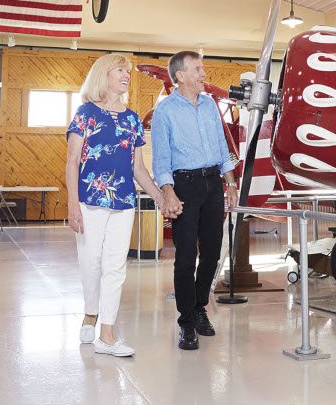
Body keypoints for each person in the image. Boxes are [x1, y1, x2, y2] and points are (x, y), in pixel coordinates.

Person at [66, 53, 163, 357]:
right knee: (90, 261)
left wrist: (160, 197)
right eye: (120, 70)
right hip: (90, 199)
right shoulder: (86, 113)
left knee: (115, 265)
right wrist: (72, 204)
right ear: (103, 75)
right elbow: (72, 161)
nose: (126, 75)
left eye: (128, 71)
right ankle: (90, 313)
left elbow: (138, 169)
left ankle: (106, 333)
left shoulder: (133, 118)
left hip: (124, 201)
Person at [151, 51, 238, 350]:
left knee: (212, 253)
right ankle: (186, 322)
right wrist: (168, 192)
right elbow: (161, 156)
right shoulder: (165, 111)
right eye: (198, 69)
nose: (204, 74)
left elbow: (221, 144)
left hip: (213, 182)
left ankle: (200, 308)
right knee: (186, 257)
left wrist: (231, 184)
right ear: (181, 75)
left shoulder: (211, 105)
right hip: (184, 186)